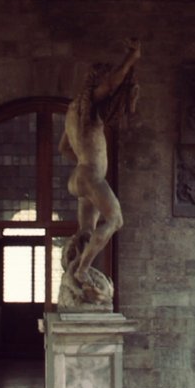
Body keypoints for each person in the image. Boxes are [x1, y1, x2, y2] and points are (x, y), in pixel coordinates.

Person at [59, 39, 141, 304]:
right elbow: (112, 84)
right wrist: (131, 58)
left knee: (86, 231)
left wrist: (85, 158)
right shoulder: (90, 104)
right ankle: (82, 270)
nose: (108, 91)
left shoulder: (74, 111)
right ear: (97, 84)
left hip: (81, 176)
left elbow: (64, 148)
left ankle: (75, 269)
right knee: (116, 220)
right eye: (103, 85)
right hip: (90, 177)